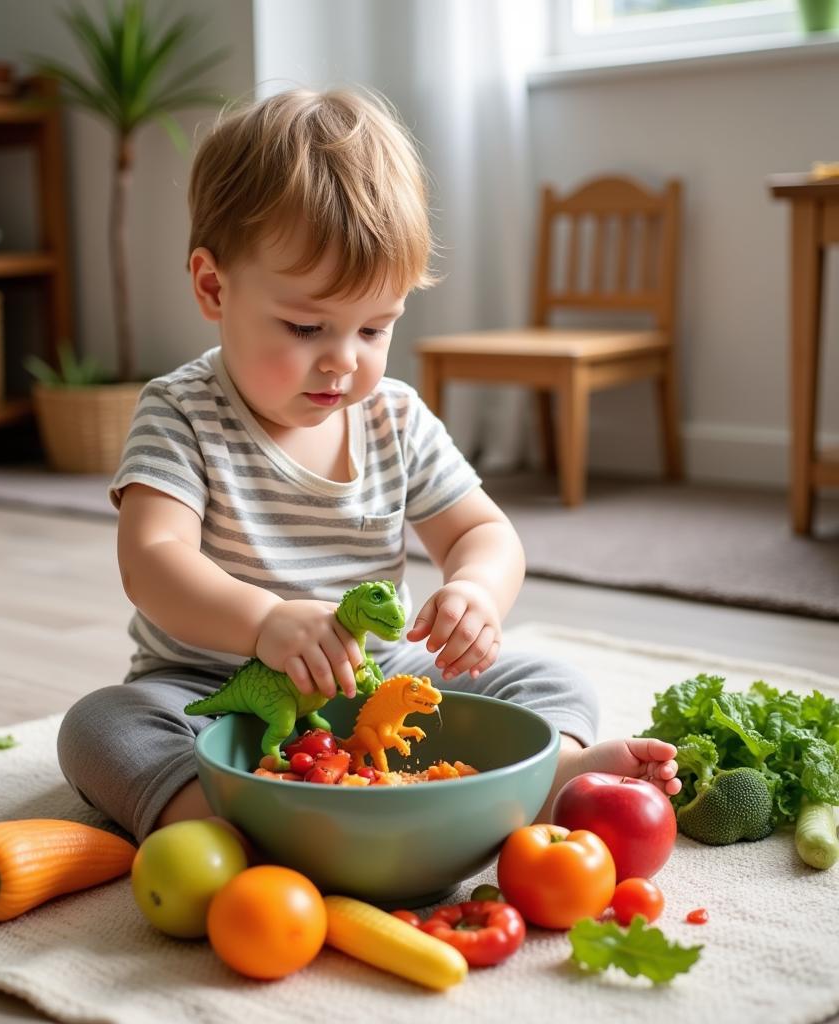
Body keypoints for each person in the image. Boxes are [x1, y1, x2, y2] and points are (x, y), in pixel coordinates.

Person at [57, 87, 679, 843]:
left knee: (550, 678)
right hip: (211, 693)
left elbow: (483, 530)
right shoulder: (182, 411)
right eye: (306, 325)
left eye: (375, 327)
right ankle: (229, 828)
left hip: (377, 691)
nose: (343, 361)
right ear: (214, 288)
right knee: (99, 727)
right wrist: (263, 621)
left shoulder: (394, 415)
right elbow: (151, 561)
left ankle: (547, 781)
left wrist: (476, 592)